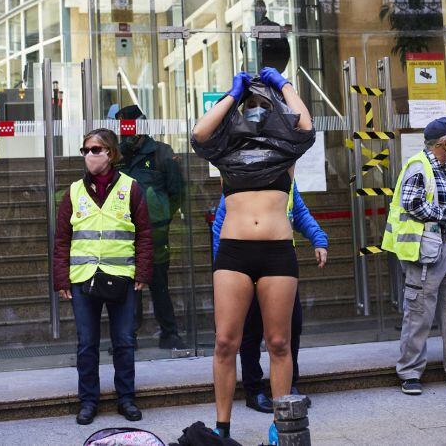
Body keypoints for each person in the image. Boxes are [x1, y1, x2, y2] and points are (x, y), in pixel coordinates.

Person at [192, 67, 315, 442]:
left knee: (279, 343)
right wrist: (233, 93)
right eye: (251, 105)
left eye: (265, 105)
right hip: (233, 254)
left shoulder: (286, 147)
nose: (257, 110)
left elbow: (307, 127)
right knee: (225, 342)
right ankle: (222, 427)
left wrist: (284, 85)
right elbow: (199, 133)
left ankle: (282, 425)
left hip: (278, 253)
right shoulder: (225, 148)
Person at [53, 128, 153, 425]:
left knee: (123, 341)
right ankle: (88, 401)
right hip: (82, 278)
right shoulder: (73, 192)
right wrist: (61, 280)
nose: (89, 156)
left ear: (110, 153)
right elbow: (61, 239)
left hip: (122, 276)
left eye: (94, 150)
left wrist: (143, 272)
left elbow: (145, 234)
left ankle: (126, 398)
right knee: (87, 343)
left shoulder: (131, 188)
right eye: (85, 151)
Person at [211, 181, 328, 413]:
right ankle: (254, 389)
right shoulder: (241, 181)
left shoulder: (287, 181)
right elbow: (219, 227)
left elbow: (300, 213)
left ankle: (289, 387)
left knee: (289, 330)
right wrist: (223, 271)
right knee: (249, 331)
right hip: (240, 267)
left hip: (278, 265)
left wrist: (319, 239)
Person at [384, 116, 446, 395]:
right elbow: (412, 204)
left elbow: (438, 209)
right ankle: (410, 373)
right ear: (443, 143)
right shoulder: (419, 165)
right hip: (425, 252)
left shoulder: (442, 170)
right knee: (419, 313)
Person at [115, 104, 186, 349]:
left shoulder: (162, 154)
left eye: (130, 127)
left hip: (155, 235)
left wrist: (161, 218)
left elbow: (177, 193)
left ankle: (169, 333)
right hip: (124, 235)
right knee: (127, 288)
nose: (127, 134)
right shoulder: (117, 157)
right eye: (123, 129)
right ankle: (128, 336)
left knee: (159, 284)